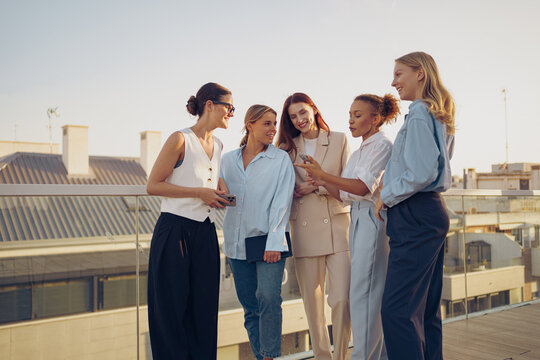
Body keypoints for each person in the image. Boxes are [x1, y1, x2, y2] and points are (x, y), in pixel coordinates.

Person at [297, 93, 400, 360]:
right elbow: (343, 194)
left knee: (364, 293)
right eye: (350, 115)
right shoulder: (362, 148)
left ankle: (364, 356)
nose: (351, 121)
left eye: (358, 115)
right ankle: (376, 355)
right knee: (364, 292)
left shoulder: (381, 146)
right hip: (356, 217)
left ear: (375, 119)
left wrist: (323, 175)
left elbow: (363, 187)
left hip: (372, 218)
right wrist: (319, 179)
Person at [374, 51, 455, 360]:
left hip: (415, 213)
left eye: (398, 74)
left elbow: (422, 172)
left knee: (396, 311)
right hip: (430, 212)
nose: (393, 82)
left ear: (419, 73)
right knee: (424, 311)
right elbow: (437, 167)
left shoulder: (420, 112)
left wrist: (387, 194)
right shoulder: (438, 112)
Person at [146, 82, 234, 359]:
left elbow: (210, 181)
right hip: (175, 232)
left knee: (204, 310)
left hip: (206, 234)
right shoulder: (179, 139)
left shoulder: (218, 145)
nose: (231, 113)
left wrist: (219, 192)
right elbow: (153, 185)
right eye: (229, 107)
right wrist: (199, 193)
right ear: (210, 105)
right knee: (170, 312)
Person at [276, 93, 351, 360]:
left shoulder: (340, 140)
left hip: (337, 226)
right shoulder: (285, 149)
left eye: (303, 113)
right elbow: (280, 189)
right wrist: (297, 190)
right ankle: (322, 357)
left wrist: (320, 182)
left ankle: (341, 356)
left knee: (342, 299)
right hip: (305, 228)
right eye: (293, 116)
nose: (299, 120)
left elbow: (347, 184)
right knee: (314, 306)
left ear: (314, 109)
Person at [220, 104, 295, 360]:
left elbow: (282, 202)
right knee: (250, 307)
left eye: (274, 123)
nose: (273, 129)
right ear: (249, 125)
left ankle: (271, 354)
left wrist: (275, 242)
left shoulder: (280, 160)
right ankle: (262, 355)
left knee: (268, 298)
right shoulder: (227, 160)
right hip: (236, 243)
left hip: (269, 241)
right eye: (267, 123)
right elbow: (221, 194)